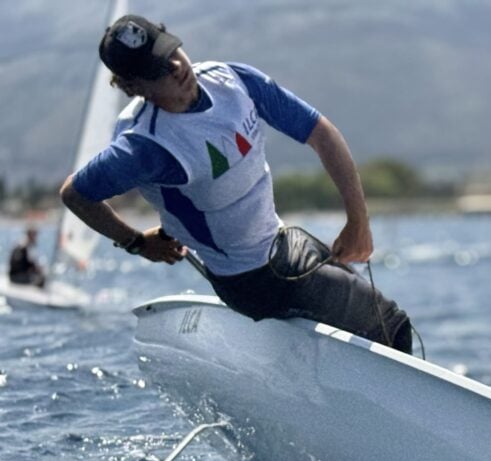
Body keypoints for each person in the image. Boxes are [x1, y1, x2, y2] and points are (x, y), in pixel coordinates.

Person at [60, 14, 412, 352]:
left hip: (283, 243)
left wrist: (358, 221)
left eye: (170, 51)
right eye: (158, 70)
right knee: (392, 329)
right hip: (251, 277)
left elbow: (321, 133)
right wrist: (134, 242)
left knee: (368, 337)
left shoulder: (232, 80)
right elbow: (75, 194)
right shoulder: (143, 147)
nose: (176, 67)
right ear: (134, 87)